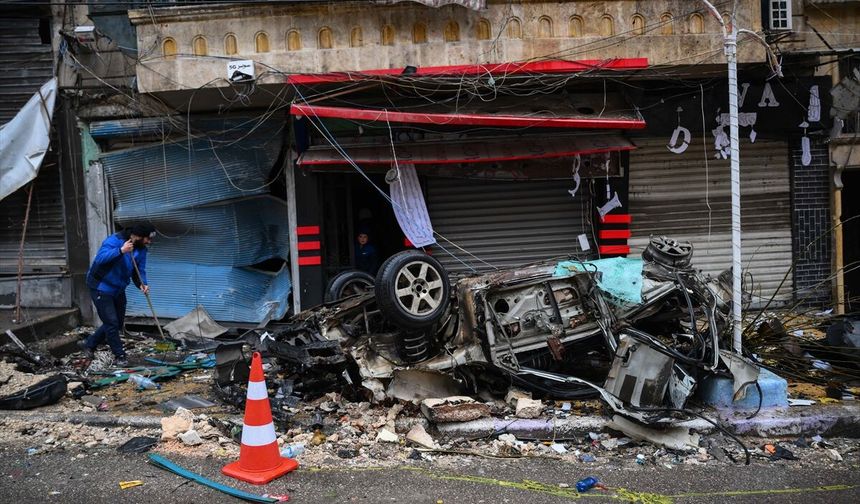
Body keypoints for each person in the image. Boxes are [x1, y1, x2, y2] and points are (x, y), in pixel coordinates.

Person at [78, 223, 155, 366]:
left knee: (117, 322)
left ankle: (89, 344)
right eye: (147, 239)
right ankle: (120, 355)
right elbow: (100, 259)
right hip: (101, 286)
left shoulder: (141, 249)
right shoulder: (114, 241)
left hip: (118, 288)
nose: (149, 242)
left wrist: (142, 283)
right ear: (138, 236)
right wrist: (121, 251)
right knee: (111, 323)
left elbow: (139, 270)